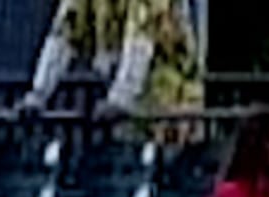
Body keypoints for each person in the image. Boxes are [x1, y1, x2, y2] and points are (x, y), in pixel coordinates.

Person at [18, 0, 202, 121]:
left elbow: (141, 37)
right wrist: (38, 94)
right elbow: (65, 31)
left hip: (169, 103)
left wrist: (121, 97)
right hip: (125, 104)